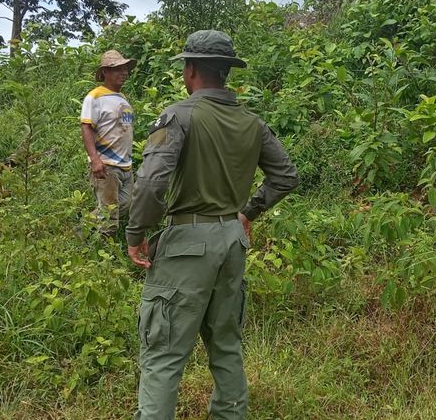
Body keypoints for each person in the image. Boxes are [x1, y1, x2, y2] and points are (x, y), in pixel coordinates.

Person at [126, 30, 299, 419]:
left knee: (163, 353)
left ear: (190, 70)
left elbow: (151, 183)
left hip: (187, 244)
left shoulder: (179, 115)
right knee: (226, 345)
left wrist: (136, 233)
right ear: (225, 72)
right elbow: (286, 176)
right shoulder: (252, 122)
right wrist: (246, 213)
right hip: (232, 241)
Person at [80, 49, 137, 235]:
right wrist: (95, 160)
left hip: (126, 165)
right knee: (110, 218)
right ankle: (103, 249)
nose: (124, 73)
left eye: (125, 69)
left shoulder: (122, 98)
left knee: (125, 205)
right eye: (118, 69)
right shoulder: (95, 97)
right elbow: (86, 127)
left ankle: (81, 230)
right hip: (107, 165)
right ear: (105, 72)